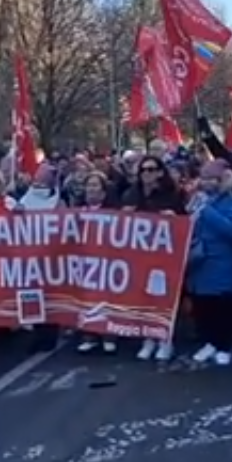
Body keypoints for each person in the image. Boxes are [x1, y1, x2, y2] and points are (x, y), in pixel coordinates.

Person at [123, 154, 186, 361]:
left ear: (160, 172)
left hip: (164, 258)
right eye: (143, 170)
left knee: (163, 298)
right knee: (143, 298)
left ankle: (165, 340)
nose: (146, 174)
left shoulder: (173, 194)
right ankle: (147, 338)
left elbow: (185, 221)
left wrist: (173, 218)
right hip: (140, 256)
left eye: (151, 170)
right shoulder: (133, 194)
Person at [186, 160, 232, 366]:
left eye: (211, 179)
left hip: (223, 261)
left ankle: (223, 345)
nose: (206, 183)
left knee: (222, 305)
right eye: (203, 178)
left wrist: (208, 212)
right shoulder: (197, 200)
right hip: (200, 261)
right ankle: (209, 342)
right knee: (203, 304)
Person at [75, 172, 120, 355]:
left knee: (106, 299)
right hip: (83, 261)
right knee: (86, 299)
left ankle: (109, 335)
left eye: (95, 185)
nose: (91, 189)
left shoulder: (114, 212)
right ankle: (89, 336)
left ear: (103, 191)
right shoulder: (76, 211)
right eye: (89, 185)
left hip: (107, 260)